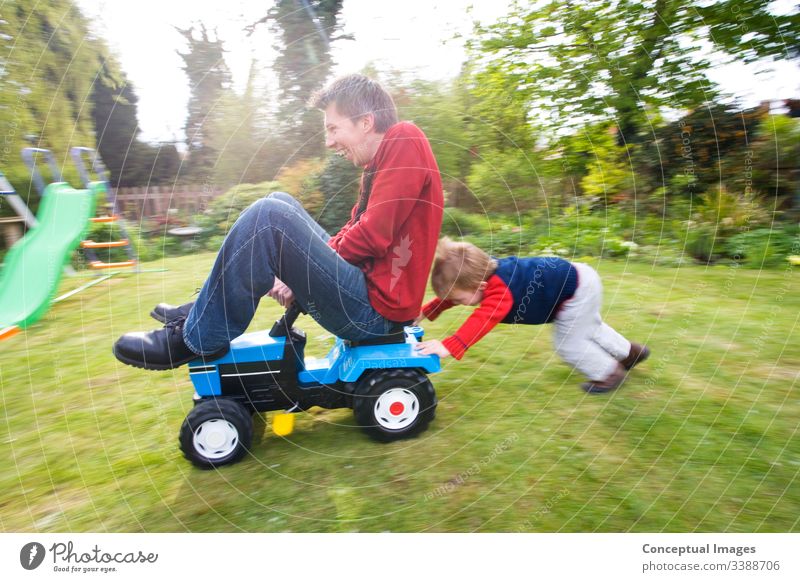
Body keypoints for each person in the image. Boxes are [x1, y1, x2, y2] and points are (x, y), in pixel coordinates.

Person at [113, 74, 444, 370]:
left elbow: (372, 236)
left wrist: (300, 272)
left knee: (269, 217)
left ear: (366, 122)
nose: (329, 142)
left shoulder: (404, 138)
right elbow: (356, 227)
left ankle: (195, 339)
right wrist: (303, 268)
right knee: (278, 203)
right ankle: (200, 312)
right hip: (367, 294)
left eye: (333, 128)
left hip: (375, 314)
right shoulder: (378, 164)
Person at [413, 238, 650, 393]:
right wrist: (424, 312)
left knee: (569, 343)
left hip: (575, 293)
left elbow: (483, 319)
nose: (456, 304)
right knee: (590, 328)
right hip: (582, 278)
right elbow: (453, 299)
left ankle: (609, 373)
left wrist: (450, 345)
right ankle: (630, 352)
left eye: (459, 299)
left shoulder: (499, 292)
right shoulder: (486, 273)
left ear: (481, 287)